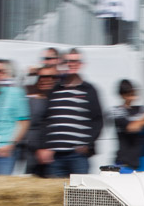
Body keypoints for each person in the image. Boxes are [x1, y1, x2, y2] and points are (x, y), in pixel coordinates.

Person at [36, 48, 103, 177]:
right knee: (55, 195)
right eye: (67, 61)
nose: (71, 64)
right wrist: (43, 146)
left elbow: (98, 120)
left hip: (77, 156)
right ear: (62, 63)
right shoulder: (54, 90)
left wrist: (88, 143)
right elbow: (46, 120)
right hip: (55, 156)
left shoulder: (89, 90)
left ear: (81, 64)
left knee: (78, 195)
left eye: (75, 61)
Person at [22, 66, 57, 176]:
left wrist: (48, 148)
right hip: (31, 151)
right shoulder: (32, 99)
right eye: (40, 77)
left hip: (53, 151)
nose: (44, 80)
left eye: (49, 77)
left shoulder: (58, 99)